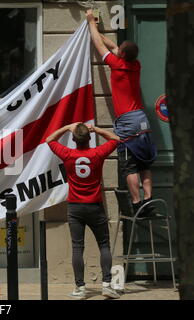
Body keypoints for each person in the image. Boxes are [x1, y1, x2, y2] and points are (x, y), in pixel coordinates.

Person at [86, 9, 157, 216]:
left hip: (128, 122)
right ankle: (148, 200)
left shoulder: (116, 64)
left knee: (129, 166)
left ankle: (136, 204)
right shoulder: (135, 65)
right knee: (144, 163)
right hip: (142, 120)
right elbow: (114, 47)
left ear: (121, 55)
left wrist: (90, 21)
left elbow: (100, 47)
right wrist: (98, 31)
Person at [46, 122, 120, 299]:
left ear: (73, 139)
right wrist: (97, 129)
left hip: (75, 207)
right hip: (95, 206)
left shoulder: (68, 154)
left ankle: (80, 288)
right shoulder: (97, 153)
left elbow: (49, 139)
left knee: (77, 247)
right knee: (104, 245)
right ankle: (107, 285)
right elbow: (116, 138)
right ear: (89, 139)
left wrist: (66, 127)